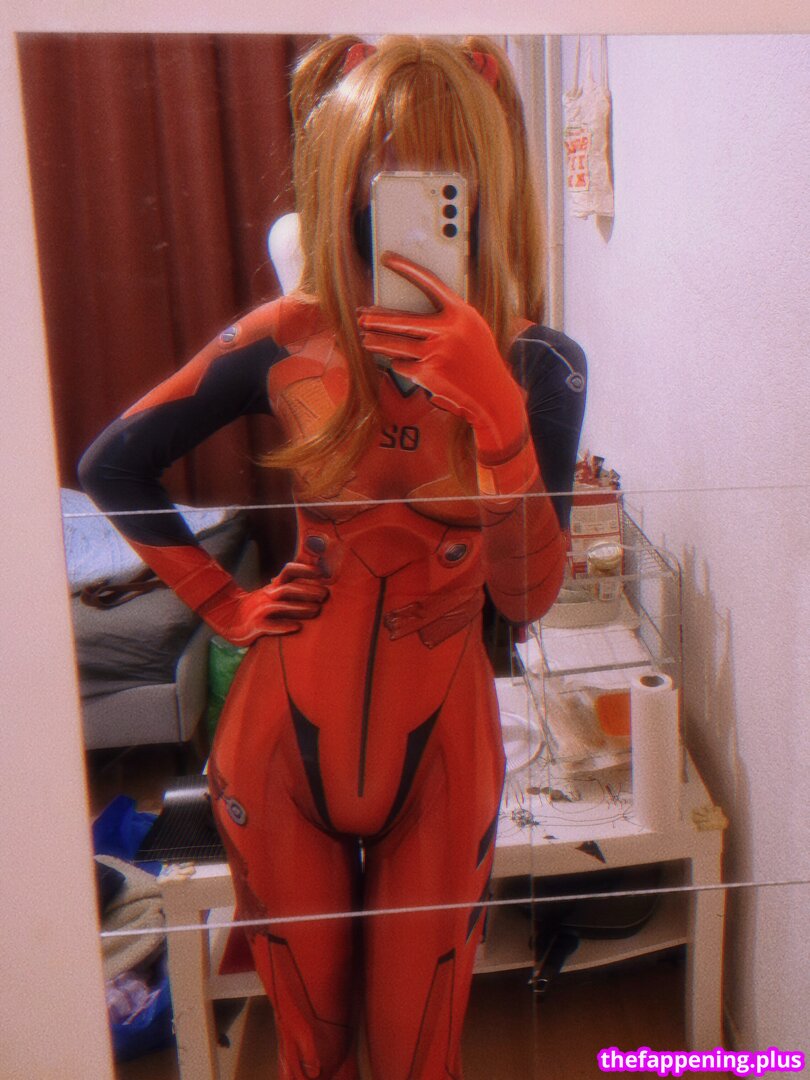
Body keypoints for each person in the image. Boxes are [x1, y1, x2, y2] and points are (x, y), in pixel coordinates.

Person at [81, 35, 586, 1080]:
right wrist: (225, 604)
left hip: (441, 751)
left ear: (484, 180)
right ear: (340, 175)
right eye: (384, 168)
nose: (407, 194)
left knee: (417, 1059)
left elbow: (528, 596)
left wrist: (498, 416)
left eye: (442, 172)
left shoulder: (538, 363)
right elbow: (113, 464)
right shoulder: (284, 336)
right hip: (280, 737)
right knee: (308, 1054)